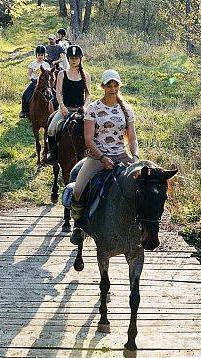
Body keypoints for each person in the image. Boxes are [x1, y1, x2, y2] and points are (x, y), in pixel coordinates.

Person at [70, 69, 139, 245]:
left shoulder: (127, 109)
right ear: (102, 86)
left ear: (119, 86)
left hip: (121, 155)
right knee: (78, 190)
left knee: (142, 185)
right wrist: (101, 158)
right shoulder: (93, 108)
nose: (112, 89)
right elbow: (88, 139)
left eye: (115, 85)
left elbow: (132, 137)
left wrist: (135, 157)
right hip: (97, 156)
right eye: (109, 85)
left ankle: (141, 225)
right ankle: (78, 226)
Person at [45, 44, 91, 164]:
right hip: (65, 109)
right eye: (71, 58)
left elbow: (88, 94)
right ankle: (53, 156)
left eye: (76, 58)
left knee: (94, 130)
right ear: (68, 59)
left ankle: (94, 156)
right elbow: (58, 93)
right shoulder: (62, 74)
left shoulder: (86, 76)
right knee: (50, 129)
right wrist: (62, 107)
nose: (73, 61)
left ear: (80, 59)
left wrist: (85, 107)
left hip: (80, 111)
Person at [19, 45, 50, 119]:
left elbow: (48, 75)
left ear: (44, 55)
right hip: (34, 82)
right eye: (39, 55)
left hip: (44, 83)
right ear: (36, 55)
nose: (40, 56)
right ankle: (23, 111)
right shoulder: (32, 64)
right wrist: (31, 79)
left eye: (41, 55)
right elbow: (28, 75)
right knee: (25, 93)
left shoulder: (46, 65)